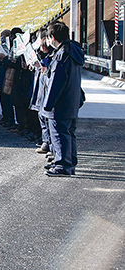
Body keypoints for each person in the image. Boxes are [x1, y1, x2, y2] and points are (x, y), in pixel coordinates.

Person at [42, 22, 84, 177]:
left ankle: (62, 166)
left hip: (61, 103)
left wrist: (47, 104)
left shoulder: (62, 55)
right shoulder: (74, 51)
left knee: (59, 134)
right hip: (71, 101)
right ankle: (69, 163)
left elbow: (56, 83)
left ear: (52, 37)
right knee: (69, 133)